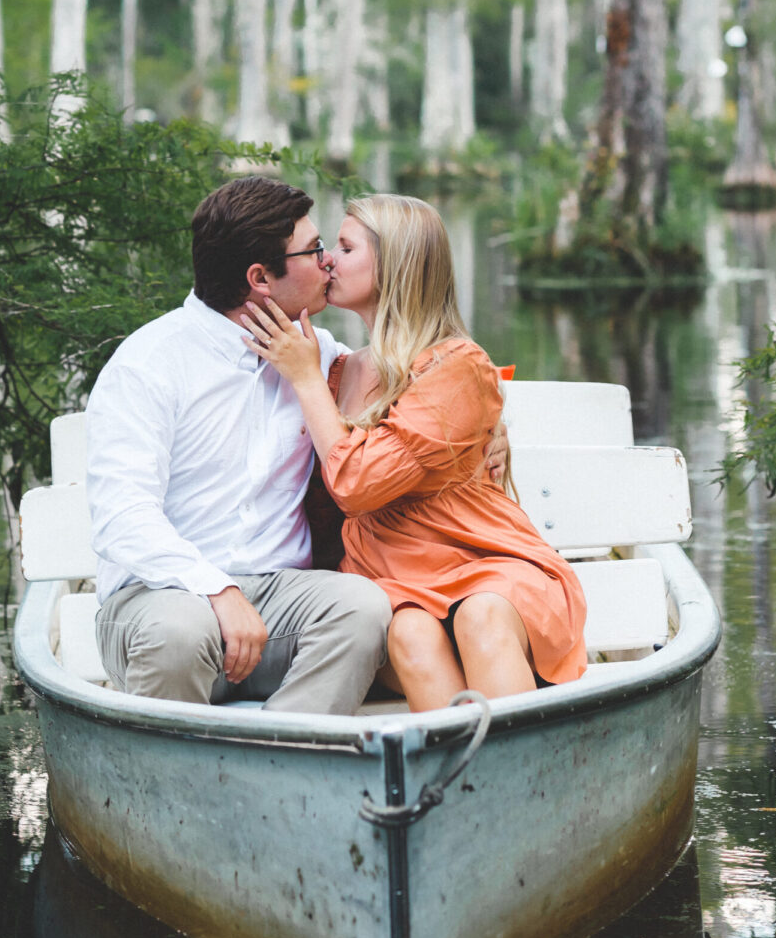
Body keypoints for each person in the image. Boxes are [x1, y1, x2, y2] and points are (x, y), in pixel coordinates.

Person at [241, 193, 588, 713]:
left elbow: (357, 483)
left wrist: (306, 380)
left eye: (345, 246)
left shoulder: (455, 364)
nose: (328, 259)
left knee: (481, 615)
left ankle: (522, 778)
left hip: (477, 558)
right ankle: (461, 786)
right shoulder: (335, 369)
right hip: (389, 579)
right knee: (407, 632)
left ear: (396, 264)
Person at [85, 176, 392, 714]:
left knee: (363, 609)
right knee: (179, 632)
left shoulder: (316, 354)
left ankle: (283, 763)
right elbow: (121, 515)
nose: (327, 262)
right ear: (260, 278)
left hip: (279, 599)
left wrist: (491, 429)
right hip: (160, 599)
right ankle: (171, 789)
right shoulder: (149, 363)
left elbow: (414, 391)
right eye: (314, 249)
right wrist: (216, 592)